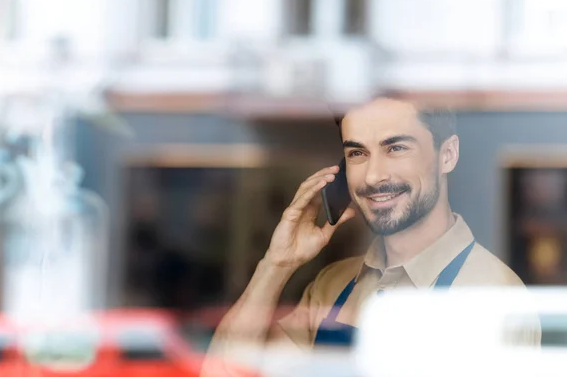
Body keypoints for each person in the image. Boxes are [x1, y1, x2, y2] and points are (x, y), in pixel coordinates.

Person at [201, 97, 541, 376]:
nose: (374, 175)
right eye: (357, 153)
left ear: (447, 155)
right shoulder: (330, 286)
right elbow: (223, 371)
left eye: (395, 148)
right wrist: (276, 264)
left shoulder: (493, 296)